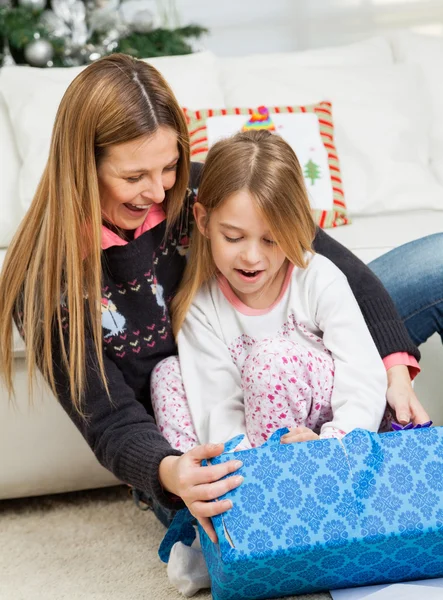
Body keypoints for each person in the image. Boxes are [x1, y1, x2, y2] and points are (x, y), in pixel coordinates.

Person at [0, 54, 427, 546]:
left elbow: (341, 270)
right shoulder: (45, 278)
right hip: (195, 441)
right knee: (243, 543)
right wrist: (171, 473)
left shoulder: (201, 189)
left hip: (301, 367)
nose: (158, 190)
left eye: (169, 165)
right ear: (82, 166)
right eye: (134, 176)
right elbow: (109, 416)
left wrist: (394, 367)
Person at [151, 129, 389, 456]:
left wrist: (331, 445)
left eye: (271, 240)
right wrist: (245, 462)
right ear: (203, 221)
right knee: (167, 376)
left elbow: (363, 379)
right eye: (234, 238)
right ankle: (209, 491)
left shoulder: (317, 278)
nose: (251, 257)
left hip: (329, 443)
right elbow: (217, 409)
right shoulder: (201, 307)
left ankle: (288, 477)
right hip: (250, 452)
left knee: (270, 360)